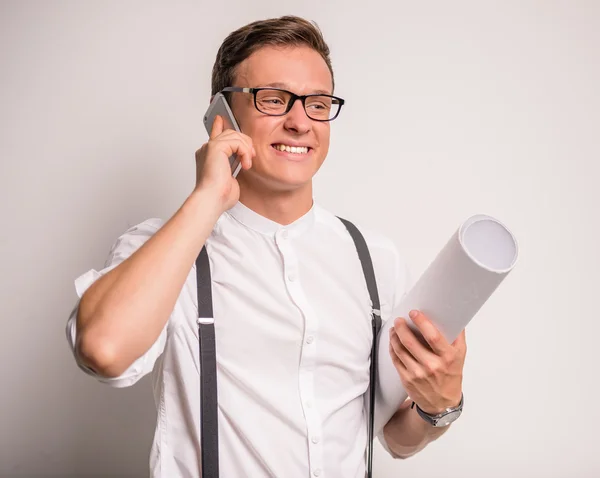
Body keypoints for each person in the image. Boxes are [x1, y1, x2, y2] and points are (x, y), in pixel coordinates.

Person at [66, 15, 467, 478]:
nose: (300, 122)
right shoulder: (165, 249)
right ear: (223, 116)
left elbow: (394, 436)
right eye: (274, 99)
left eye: (318, 104)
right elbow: (103, 349)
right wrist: (207, 199)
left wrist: (440, 405)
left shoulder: (374, 259)